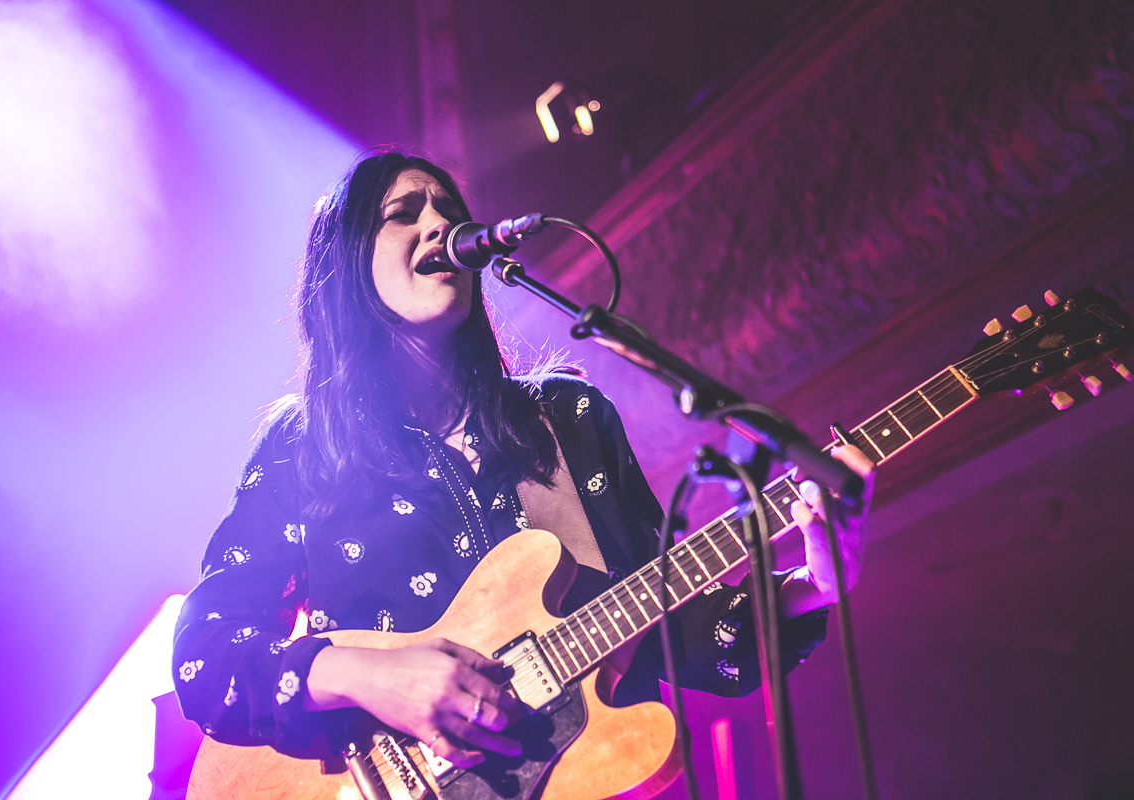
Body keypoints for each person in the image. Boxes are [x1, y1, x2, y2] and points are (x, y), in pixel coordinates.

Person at [172, 150, 875, 771]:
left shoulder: (567, 418)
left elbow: (673, 625)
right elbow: (207, 655)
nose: (438, 225)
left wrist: (813, 583)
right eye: (403, 214)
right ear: (348, 265)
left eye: (449, 211)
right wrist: (368, 675)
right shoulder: (304, 447)